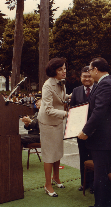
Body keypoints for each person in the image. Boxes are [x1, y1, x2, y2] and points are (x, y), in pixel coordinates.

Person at [78, 57, 111, 207]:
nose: (89, 73)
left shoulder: (106, 84)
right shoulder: (102, 84)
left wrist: (85, 131)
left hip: (103, 140)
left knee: (101, 177)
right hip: (102, 140)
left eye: (90, 70)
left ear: (96, 69)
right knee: (101, 176)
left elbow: (99, 111)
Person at [37, 58, 71, 197]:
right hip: (47, 123)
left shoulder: (61, 83)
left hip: (57, 122)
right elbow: (49, 109)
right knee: (49, 154)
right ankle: (47, 184)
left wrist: (72, 96)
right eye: (60, 69)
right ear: (53, 72)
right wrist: (66, 114)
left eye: (64, 68)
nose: (63, 71)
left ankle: (56, 177)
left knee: (57, 151)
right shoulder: (47, 86)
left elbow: (62, 99)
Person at [69, 66, 95, 193]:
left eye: (89, 76)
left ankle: (95, 185)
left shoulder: (99, 89)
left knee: (95, 159)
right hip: (80, 132)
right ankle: (84, 183)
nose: (87, 79)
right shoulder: (76, 91)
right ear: (80, 78)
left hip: (96, 133)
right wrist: (73, 130)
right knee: (83, 158)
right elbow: (72, 110)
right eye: (84, 76)